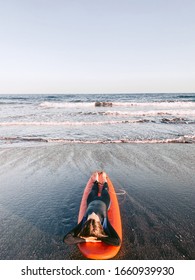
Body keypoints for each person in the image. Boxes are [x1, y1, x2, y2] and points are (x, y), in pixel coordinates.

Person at [63, 172, 121, 246]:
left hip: (91, 200)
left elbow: (66, 239)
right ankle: (104, 180)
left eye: (90, 216)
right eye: (95, 216)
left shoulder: (83, 223)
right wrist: (100, 237)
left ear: (86, 222)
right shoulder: (105, 224)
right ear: (100, 224)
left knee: (93, 190)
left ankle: (96, 181)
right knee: (105, 191)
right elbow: (117, 242)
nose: (93, 213)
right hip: (104, 201)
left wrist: (85, 239)